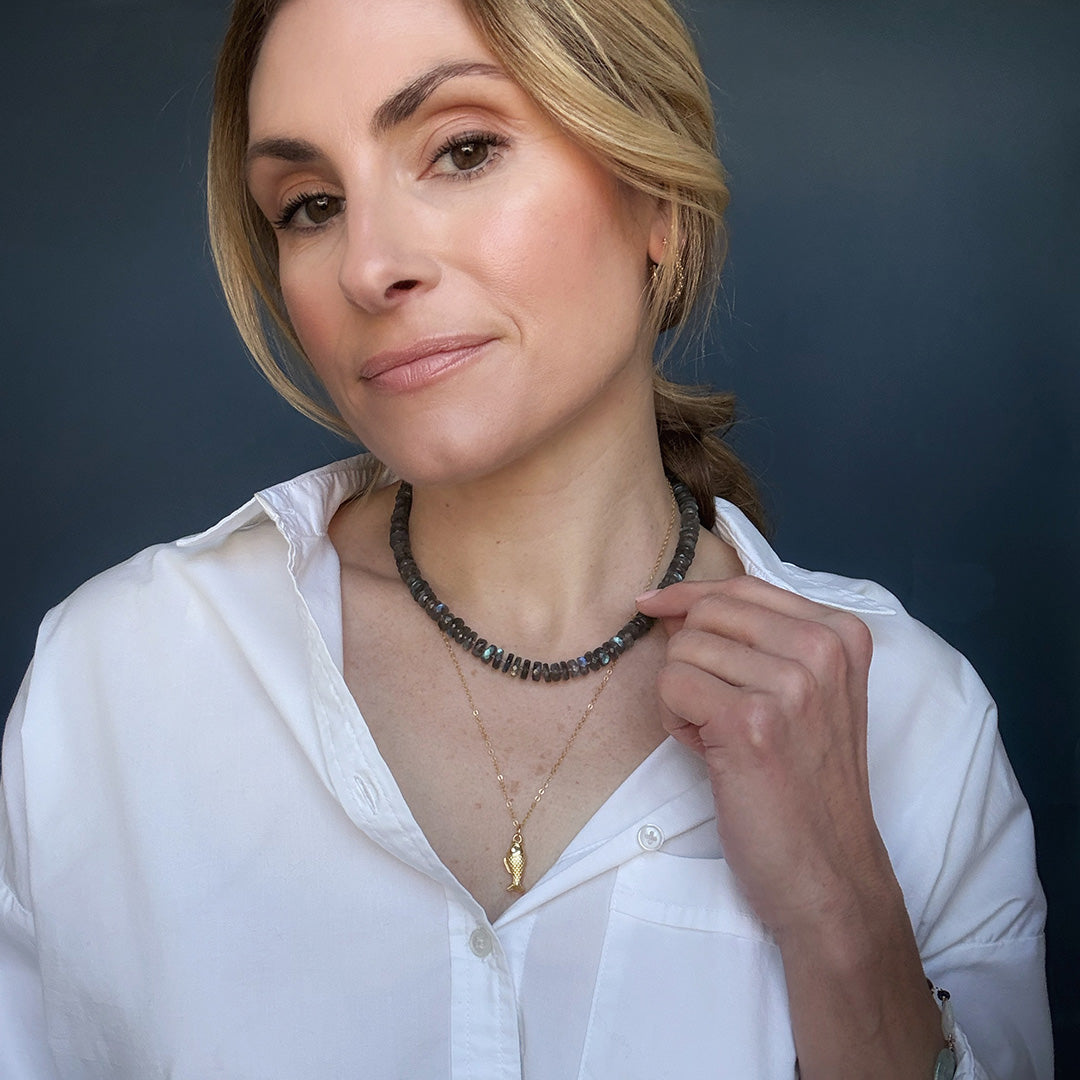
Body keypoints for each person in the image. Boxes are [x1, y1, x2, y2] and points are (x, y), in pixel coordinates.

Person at [0, 0, 1051, 1076]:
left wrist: (840, 912)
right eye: (312, 205)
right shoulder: (119, 678)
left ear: (657, 200)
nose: (369, 266)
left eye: (463, 150)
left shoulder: (910, 723)